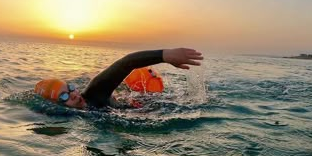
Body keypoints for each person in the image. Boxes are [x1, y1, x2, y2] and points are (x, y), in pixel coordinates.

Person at [34, 47, 204, 110]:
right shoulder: (66, 118)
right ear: (55, 105)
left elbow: (126, 63)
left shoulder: (95, 92)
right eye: (63, 96)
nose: (71, 94)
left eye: (70, 88)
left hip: (141, 108)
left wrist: (165, 55)